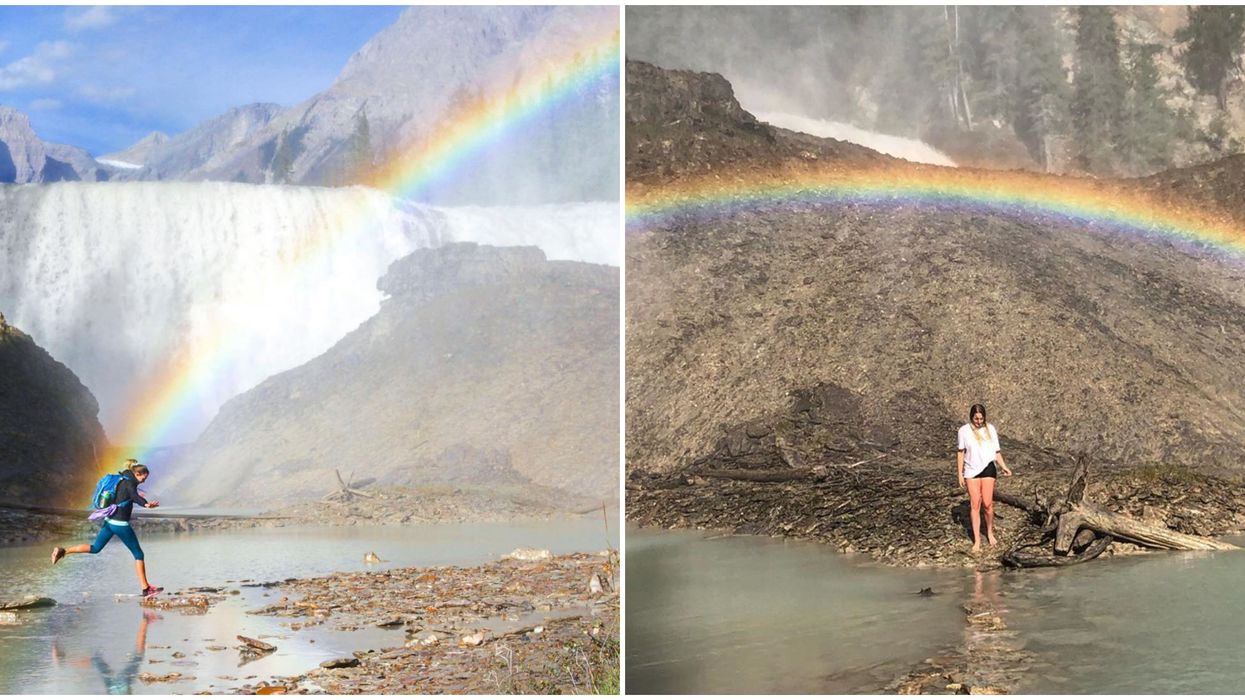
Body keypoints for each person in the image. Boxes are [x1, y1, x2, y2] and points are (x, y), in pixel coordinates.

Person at [50, 463, 163, 597]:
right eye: (144, 477)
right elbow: (135, 497)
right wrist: (146, 504)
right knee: (139, 554)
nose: (145, 479)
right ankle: (146, 588)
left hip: (109, 521)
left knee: (95, 548)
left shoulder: (122, 479)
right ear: (137, 474)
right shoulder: (130, 483)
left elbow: (127, 495)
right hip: (120, 524)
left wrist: (138, 496)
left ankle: (63, 551)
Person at [956, 404, 1013, 553]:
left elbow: (997, 452)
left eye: (981, 418)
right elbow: (960, 453)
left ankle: (989, 532)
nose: (979, 421)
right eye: (976, 418)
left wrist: (1004, 466)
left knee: (987, 504)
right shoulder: (964, 431)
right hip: (971, 470)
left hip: (988, 467)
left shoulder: (991, 429)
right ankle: (977, 540)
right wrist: (960, 473)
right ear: (971, 417)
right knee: (975, 504)